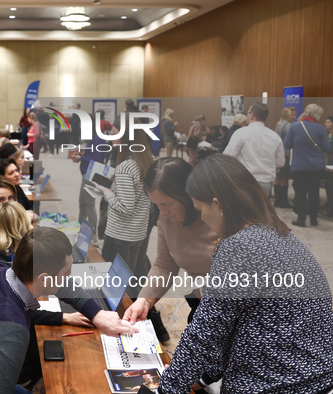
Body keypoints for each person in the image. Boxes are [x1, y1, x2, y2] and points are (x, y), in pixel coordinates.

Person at [151, 154, 333, 394]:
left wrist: (168, 388)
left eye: (200, 209)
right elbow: (233, 323)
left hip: (277, 384)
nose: (202, 218)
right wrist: (203, 376)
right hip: (316, 377)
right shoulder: (281, 236)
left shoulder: (239, 247)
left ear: (218, 204)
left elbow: (205, 333)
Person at [0, 227, 138, 394]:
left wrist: (96, 314)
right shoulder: (10, 331)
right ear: (44, 278)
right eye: (67, 272)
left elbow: (63, 284)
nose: (69, 278)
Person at [123, 157, 216, 341]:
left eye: (166, 204)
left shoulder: (216, 217)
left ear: (187, 195)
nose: (162, 212)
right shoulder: (166, 219)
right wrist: (144, 300)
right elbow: (164, 266)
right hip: (202, 304)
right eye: (156, 205)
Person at [93, 115, 154, 299]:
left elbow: (125, 206)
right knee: (129, 281)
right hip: (137, 233)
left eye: (114, 134)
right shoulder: (148, 160)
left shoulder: (126, 167)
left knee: (115, 289)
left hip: (119, 234)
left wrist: (105, 191)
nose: (111, 138)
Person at [284, 103, 331, 227]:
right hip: (316, 166)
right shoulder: (321, 128)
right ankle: (314, 220)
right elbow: (327, 148)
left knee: (300, 192)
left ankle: (301, 219)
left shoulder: (294, 127)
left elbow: (287, 144)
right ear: (316, 115)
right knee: (314, 192)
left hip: (299, 166)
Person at [224, 102, 285, 196]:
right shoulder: (274, 136)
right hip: (266, 182)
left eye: (248, 113)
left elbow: (228, 156)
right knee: (260, 210)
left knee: (243, 210)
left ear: (251, 115)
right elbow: (281, 162)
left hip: (244, 180)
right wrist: (265, 164)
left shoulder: (241, 132)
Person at [273, 107, 295, 208]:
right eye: (293, 115)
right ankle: (283, 202)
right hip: (286, 155)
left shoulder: (278, 125)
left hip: (277, 154)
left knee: (278, 178)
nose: (294, 117)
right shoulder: (289, 126)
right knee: (284, 179)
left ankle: (277, 200)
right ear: (287, 115)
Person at [325, 115, 333, 217]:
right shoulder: (325, 134)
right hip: (327, 160)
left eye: (328, 122)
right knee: (328, 183)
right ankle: (329, 202)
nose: (325, 124)